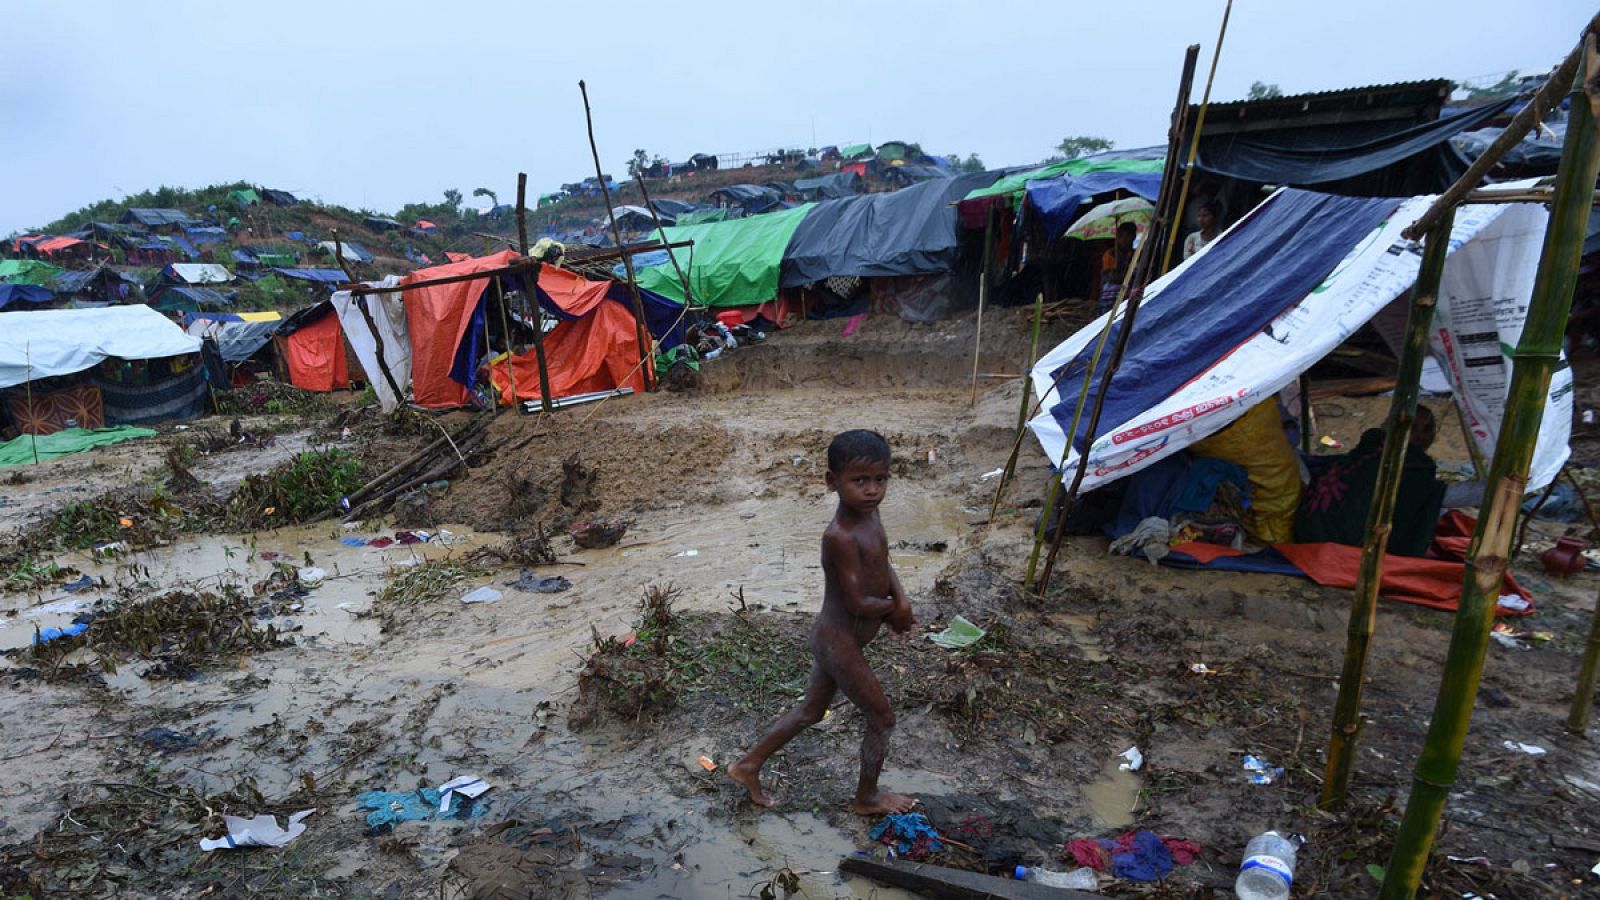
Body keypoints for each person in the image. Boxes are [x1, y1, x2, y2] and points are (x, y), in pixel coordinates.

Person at [729, 429, 918, 815]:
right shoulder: (840, 536)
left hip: (836, 639)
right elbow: (858, 602)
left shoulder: (870, 514)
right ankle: (866, 799)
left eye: (880, 480)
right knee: (881, 718)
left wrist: (901, 601)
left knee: (811, 712)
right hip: (838, 641)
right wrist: (894, 609)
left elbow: (883, 563)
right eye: (859, 481)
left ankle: (747, 765)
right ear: (832, 482)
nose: (871, 491)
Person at [1295, 405, 1447, 557]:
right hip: (1334, 544)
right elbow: (1424, 497)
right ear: (1394, 427)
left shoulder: (1374, 448)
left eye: (1427, 429)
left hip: (1306, 532)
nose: (1421, 436)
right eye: (1412, 428)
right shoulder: (1399, 463)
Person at [1098, 221, 1139, 311]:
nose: (1124, 240)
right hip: (1111, 295)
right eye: (1121, 236)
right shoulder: (1110, 254)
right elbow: (1111, 277)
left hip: (1129, 293)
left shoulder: (1136, 254)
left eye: (1127, 236)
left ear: (1134, 237)